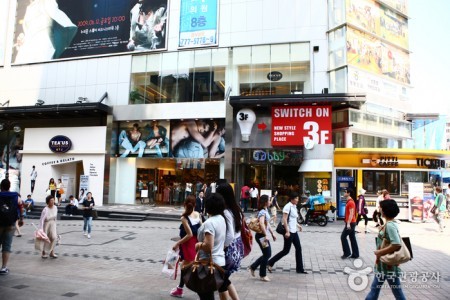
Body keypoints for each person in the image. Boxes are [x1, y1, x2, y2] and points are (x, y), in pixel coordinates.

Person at [365, 199, 406, 300]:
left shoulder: (390, 225)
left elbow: (396, 244)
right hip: (383, 265)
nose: (379, 209)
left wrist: (380, 252)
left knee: (397, 292)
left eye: (381, 208)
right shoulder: (389, 224)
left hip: (388, 266)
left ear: (385, 211)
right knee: (375, 289)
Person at [195, 193, 227, 300]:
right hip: (221, 263)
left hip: (208, 265)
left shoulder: (210, 223)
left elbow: (209, 246)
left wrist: (199, 245)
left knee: (205, 295)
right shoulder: (222, 219)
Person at [170, 195, 202, 298]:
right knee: (188, 266)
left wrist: (177, 243)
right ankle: (180, 289)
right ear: (195, 205)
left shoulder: (184, 218)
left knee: (186, 267)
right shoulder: (198, 215)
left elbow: (189, 234)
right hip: (196, 244)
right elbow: (202, 229)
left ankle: (182, 290)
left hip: (189, 245)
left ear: (184, 204)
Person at [268, 192, 308, 274]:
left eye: (297, 198)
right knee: (286, 251)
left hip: (294, 231)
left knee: (298, 248)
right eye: (296, 198)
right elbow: (284, 220)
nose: (297, 200)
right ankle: (270, 262)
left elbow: (292, 219)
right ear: (292, 199)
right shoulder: (288, 206)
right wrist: (287, 231)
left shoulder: (294, 206)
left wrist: (298, 225)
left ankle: (300, 269)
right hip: (289, 232)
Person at [216, 182, 243, 299]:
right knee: (224, 279)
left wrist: (222, 248)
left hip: (230, 250)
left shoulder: (226, 212)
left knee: (220, 280)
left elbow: (230, 235)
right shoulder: (236, 209)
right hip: (237, 248)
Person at [248, 195, 276, 282]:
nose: (270, 202)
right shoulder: (263, 212)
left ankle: (253, 267)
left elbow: (267, 224)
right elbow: (261, 223)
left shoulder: (265, 210)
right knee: (267, 254)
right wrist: (266, 235)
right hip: (261, 236)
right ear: (265, 202)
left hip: (263, 235)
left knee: (266, 254)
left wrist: (272, 233)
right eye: (269, 200)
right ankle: (262, 275)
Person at [0, 179, 24, 274]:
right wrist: (21, 219)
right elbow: (21, 207)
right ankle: (3, 268)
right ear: (9, 186)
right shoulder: (15, 195)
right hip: (11, 223)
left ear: (1, 186)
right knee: (7, 245)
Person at [340, 188, 359, 259]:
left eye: (345, 192)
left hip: (351, 223)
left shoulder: (350, 202)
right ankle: (355, 254)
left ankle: (347, 253)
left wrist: (348, 223)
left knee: (343, 237)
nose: (344, 193)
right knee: (352, 238)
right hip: (352, 222)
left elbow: (351, 214)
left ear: (348, 193)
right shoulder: (349, 201)